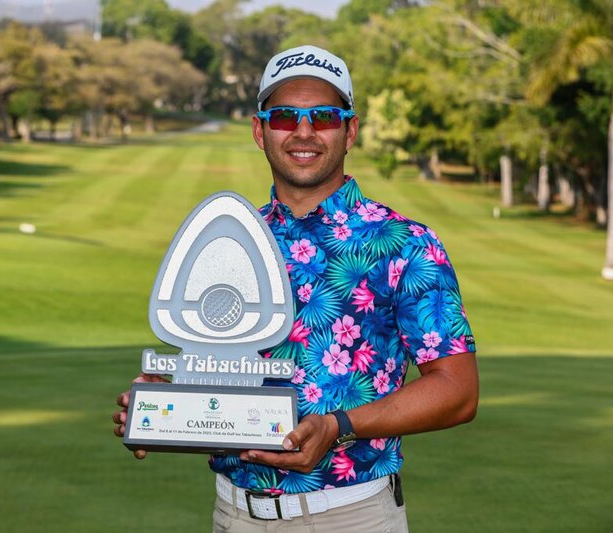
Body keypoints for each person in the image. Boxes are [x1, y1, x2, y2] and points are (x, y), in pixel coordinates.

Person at [113, 44, 479, 532]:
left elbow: (458, 392)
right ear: (259, 131)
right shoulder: (233, 244)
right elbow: (222, 370)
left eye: (323, 116)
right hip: (234, 515)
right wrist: (162, 408)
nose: (303, 131)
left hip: (349, 517)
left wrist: (338, 427)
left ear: (349, 130)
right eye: (285, 116)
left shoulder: (404, 243)